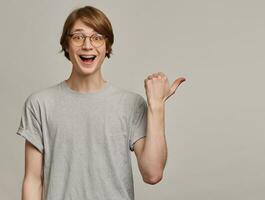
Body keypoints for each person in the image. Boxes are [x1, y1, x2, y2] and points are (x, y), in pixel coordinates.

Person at [16, 5, 185, 200]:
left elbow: (153, 173)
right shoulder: (39, 104)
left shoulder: (130, 104)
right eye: (78, 37)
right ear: (66, 45)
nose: (87, 45)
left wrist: (157, 107)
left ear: (107, 46)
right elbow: (33, 180)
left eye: (97, 37)